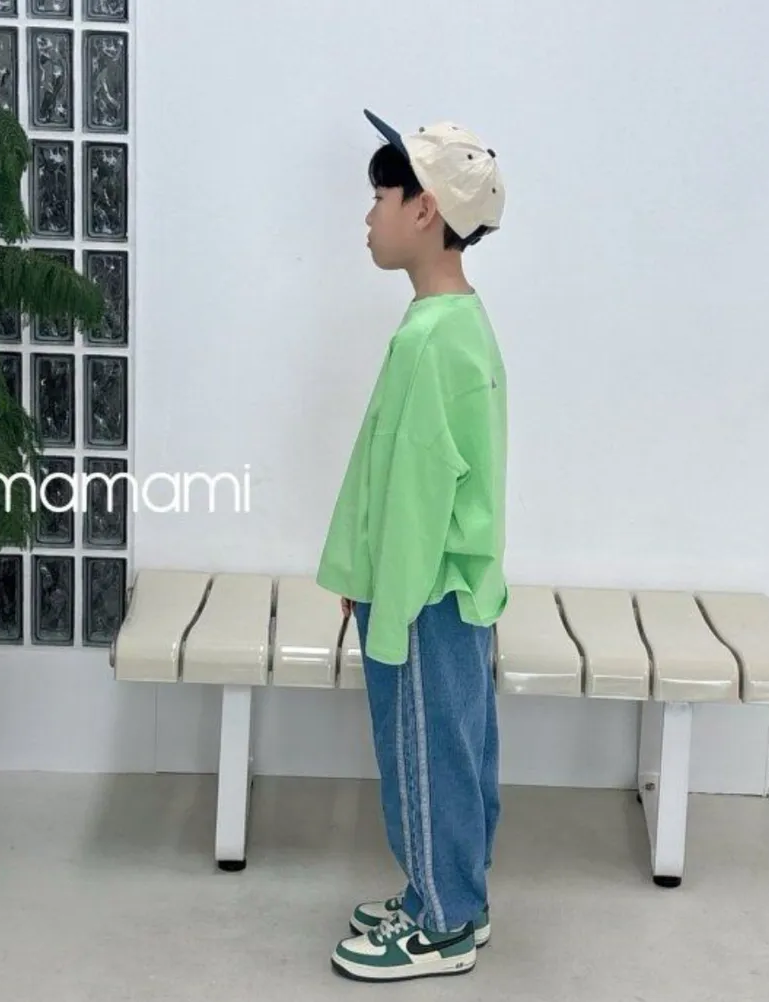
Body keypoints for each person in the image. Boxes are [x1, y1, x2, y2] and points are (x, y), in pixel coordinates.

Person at [315, 108, 509, 983]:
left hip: (422, 594)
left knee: (426, 755)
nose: (369, 216)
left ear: (425, 210)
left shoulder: (431, 341)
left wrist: (385, 599)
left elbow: (420, 494)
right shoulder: (455, 323)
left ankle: (442, 924)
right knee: (453, 749)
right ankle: (453, 892)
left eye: (380, 197)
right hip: (440, 587)